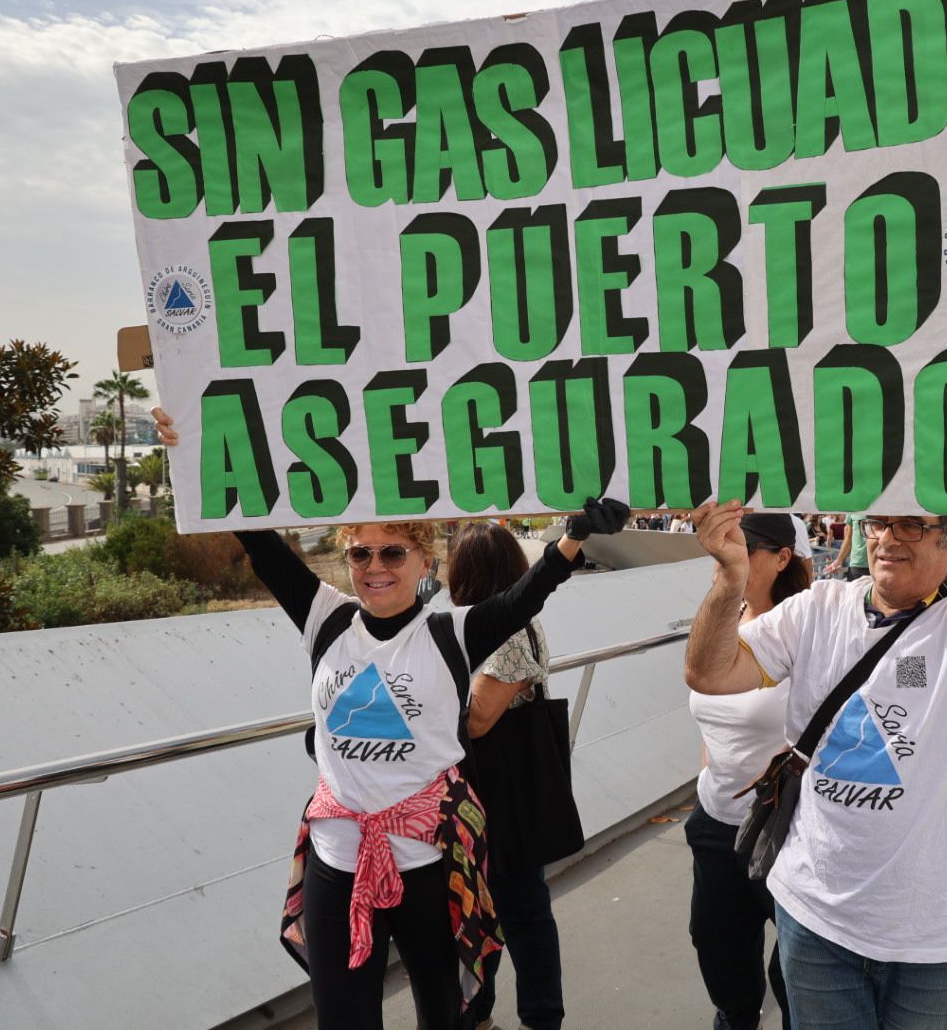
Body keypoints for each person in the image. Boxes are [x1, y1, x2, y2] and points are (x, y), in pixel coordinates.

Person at [151, 409, 628, 1030]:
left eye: (393, 552)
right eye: (360, 553)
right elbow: (259, 542)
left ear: (425, 560)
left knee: (444, 1015)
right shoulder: (325, 618)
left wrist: (574, 536)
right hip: (336, 857)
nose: (375, 566)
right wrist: (190, 450)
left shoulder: (450, 632)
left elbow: (525, 595)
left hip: (429, 862)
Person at [684, 426, 947, 1028]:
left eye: (910, 524)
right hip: (814, 920)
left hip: (939, 943)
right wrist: (728, 579)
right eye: (877, 523)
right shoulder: (820, 607)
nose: (887, 539)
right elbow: (709, 672)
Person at [686, 513, 805, 1030]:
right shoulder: (720, 624)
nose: (726, 550)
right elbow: (708, 719)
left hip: (786, 828)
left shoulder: (804, 632)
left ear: (782, 558)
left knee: (800, 966)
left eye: (743, 544)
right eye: (721, 541)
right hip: (716, 823)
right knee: (718, 949)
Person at [450, 523, 566, 1030]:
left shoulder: (508, 632)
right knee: (502, 909)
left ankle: (533, 1016)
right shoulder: (513, 622)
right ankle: (486, 1012)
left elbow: (478, 719)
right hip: (509, 793)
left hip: (502, 797)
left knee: (518, 912)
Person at [824, 512, 870, 580]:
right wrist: (839, 560)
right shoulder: (852, 508)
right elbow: (848, 538)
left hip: (879, 564)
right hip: (857, 564)